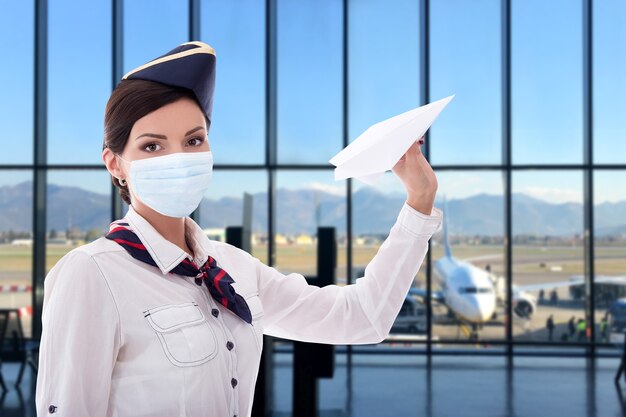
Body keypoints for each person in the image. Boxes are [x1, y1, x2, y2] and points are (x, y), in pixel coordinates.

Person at [34, 41, 443, 416]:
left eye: (194, 141)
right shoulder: (91, 273)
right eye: (152, 146)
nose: (178, 158)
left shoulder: (232, 268)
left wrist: (419, 202)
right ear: (114, 163)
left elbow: (362, 319)